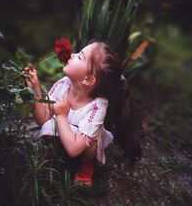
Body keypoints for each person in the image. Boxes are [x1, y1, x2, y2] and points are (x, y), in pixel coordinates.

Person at [23, 41, 141, 186]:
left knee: (89, 146)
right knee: (48, 125)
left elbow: (75, 149)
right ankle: (56, 152)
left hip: (80, 146)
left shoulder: (97, 106)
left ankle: (86, 165)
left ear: (88, 79)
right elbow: (44, 118)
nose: (72, 54)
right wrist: (34, 89)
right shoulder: (63, 84)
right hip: (65, 132)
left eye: (80, 57)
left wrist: (61, 115)